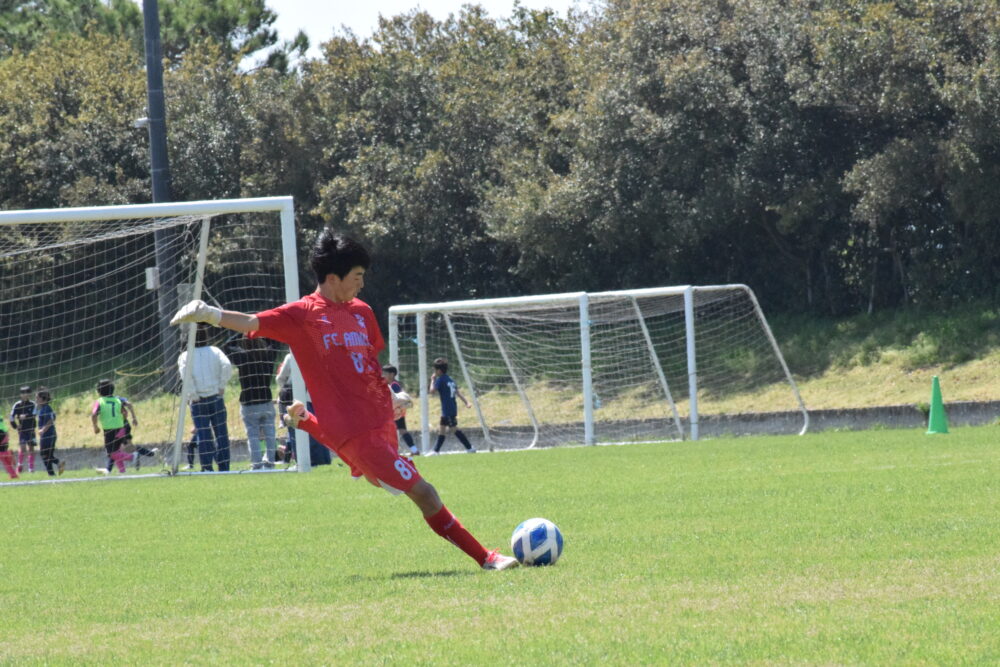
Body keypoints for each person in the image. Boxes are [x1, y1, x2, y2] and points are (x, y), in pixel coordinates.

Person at [170, 229, 518, 571]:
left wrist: (391, 396)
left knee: (403, 484)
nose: (361, 283)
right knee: (425, 493)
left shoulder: (362, 312)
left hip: (380, 423)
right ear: (333, 278)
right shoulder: (303, 315)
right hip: (357, 434)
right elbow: (251, 321)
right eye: (357, 276)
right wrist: (209, 313)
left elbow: (368, 364)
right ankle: (486, 558)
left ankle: (306, 422)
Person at [177, 325, 233, 472]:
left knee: (203, 435)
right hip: (216, 397)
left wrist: (193, 394)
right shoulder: (215, 350)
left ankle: (207, 467)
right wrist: (221, 385)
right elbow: (227, 365)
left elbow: (185, 376)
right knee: (221, 434)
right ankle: (224, 467)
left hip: (198, 400)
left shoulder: (185, 356)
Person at [226, 335, 279, 470]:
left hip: (249, 402)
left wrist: (240, 332)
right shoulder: (268, 355)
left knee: (252, 435)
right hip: (266, 399)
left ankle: (257, 463)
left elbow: (227, 346)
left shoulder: (242, 357)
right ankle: (270, 461)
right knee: (270, 433)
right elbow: (275, 342)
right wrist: (260, 331)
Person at [275, 351, 331, 466]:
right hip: (316, 398)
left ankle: (302, 461)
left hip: (296, 399)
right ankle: (323, 459)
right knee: (318, 428)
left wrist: (286, 387)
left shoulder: (291, 357)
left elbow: (280, 378)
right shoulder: (318, 355)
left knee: (296, 430)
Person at [427, 358, 476, 455]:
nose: (434, 372)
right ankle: (435, 451)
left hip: (448, 409)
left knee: (454, 429)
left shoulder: (440, 380)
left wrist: (432, 380)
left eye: (435, 370)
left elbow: (432, 391)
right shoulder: (450, 379)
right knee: (442, 430)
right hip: (450, 408)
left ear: (439, 371)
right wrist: (466, 402)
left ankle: (470, 448)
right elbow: (458, 392)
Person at [91, 379, 135, 474]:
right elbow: (128, 406)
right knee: (117, 451)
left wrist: (95, 427)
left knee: (111, 454)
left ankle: (133, 457)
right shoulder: (117, 399)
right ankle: (122, 471)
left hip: (110, 430)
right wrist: (133, 417)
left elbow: (94, 414)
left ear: (99, 392)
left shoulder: (100, 401)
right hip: (121, 428)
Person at [382, 364, 419, 456]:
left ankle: (393, 451)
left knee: (394, 430)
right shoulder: (391, 384)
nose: (383, 376)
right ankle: (413, 450)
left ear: (392, 374)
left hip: (397, 412)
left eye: (385, 374)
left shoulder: (394, 385)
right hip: (396, 411)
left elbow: (399, 399)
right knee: (401, 430)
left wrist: (400, 408)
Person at [34, 387, 63, 476]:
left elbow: (50, 420)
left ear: (42, 399)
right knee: (47, 455)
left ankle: (57, 464)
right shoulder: (45, 408)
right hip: (49, 435)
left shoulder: (46, 408)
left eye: (37, 398)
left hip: (48, 435)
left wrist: (43, 430)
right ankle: (52, 473)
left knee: (44, 455)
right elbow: (53, 417)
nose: (36, 400)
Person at [10, 385, 36, 474]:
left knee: (31, 448)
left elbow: (34, 415)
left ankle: (31, 469)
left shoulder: (32, 404)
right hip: (22, 431)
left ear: (30, 394)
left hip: (31, 430)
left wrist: (26, 416)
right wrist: (16, 426)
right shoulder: (17, 405)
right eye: (23, 393)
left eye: (27, 393)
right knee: (23, 447)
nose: (25, 395)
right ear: (20, 395)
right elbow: (11, 417)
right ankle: (20, 465)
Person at [0, 415, 18, 480]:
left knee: (3, 457)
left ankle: (13, 474)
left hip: (2, 433)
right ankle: (13, 474)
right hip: (4, 432)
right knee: (4, 455)